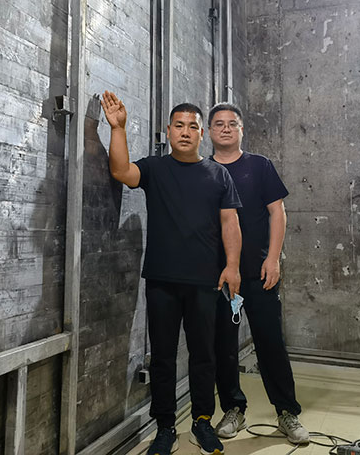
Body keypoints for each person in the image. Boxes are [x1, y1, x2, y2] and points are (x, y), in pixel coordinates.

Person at [101, 90, 242, 455]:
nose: (185, 132)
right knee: (162, 357)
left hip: (205, 281)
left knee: (203, 355)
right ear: (168, 131)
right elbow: (121, 171)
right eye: (179, 125)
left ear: (201, 134)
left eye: (192, 127)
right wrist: (118, 128)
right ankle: (165, 427)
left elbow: (230, 222)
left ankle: (202, 422)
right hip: (162, 280)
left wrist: (232, 266)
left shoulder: (219, 174)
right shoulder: (155, 169)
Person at [208, 102, 310, 445]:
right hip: (220, 277)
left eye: (232, 123)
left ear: (241, 130)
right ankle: (233, 409)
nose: (225, 128)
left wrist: (274, 258)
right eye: (219, 123)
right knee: (223, 347)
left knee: (270, 343)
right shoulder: (203, 170)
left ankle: (287, 412)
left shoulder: (259, 166)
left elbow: (277, 213)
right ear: (210, 131)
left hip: (260, 272)